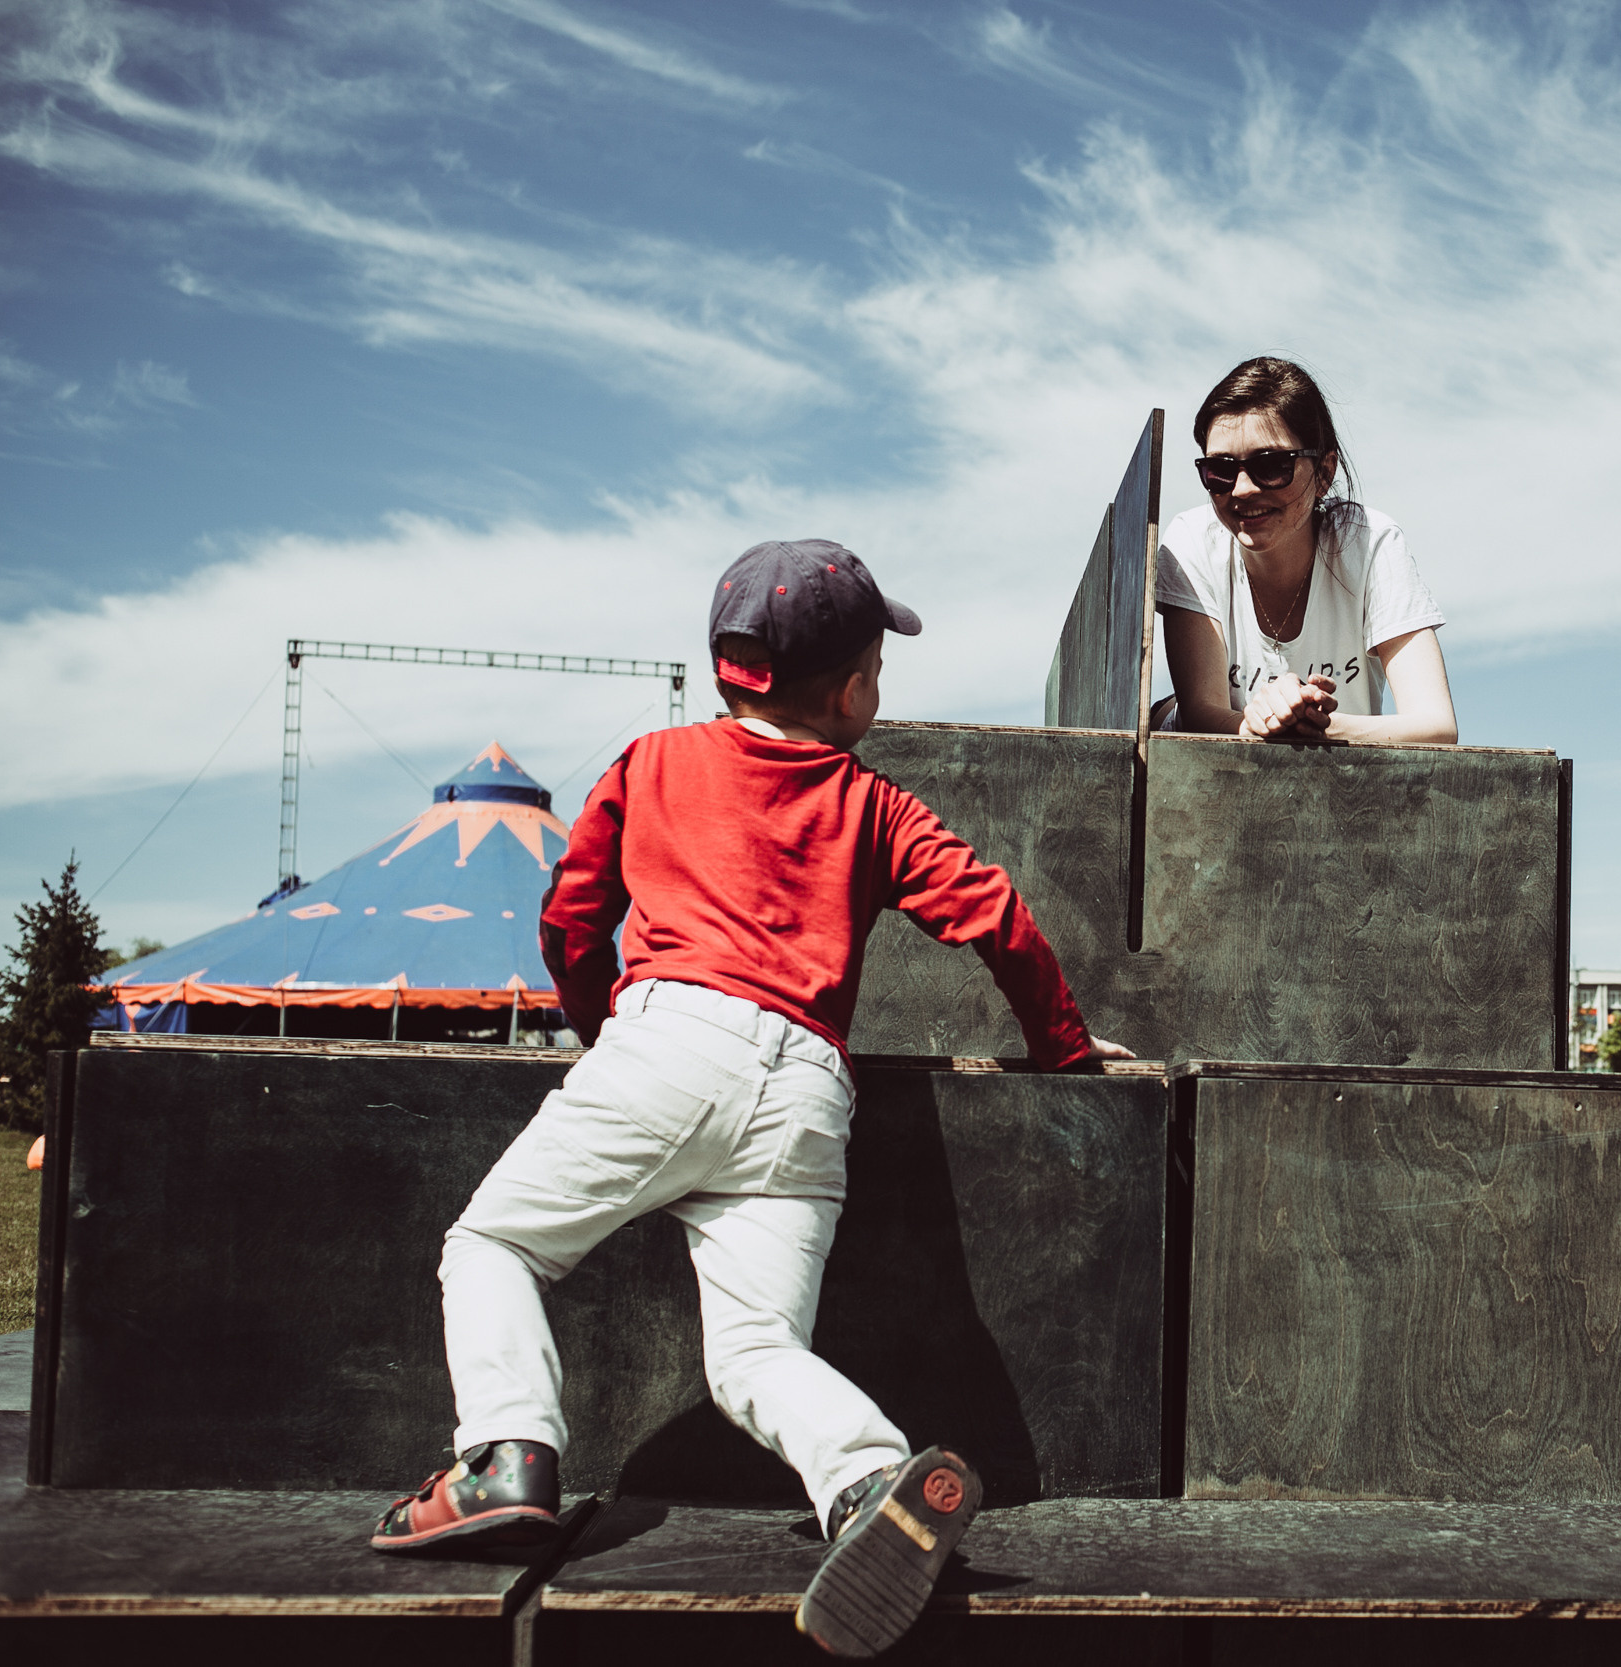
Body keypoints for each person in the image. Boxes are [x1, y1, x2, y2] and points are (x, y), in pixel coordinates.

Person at [370, 538, 1132, 1661]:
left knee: (492, 1245)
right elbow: (999, 918)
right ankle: (872, 1474)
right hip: (810, 1089)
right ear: (852, 685)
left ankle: (507, 1452)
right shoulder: (877, 805)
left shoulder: (651, 761)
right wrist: (1063, 1053)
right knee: (758, 1352)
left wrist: (604, 1039)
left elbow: (571, 921)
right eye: (879, 664)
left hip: (668, 1042)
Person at [1155, 356, 1457, 744]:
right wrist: (1257, 725)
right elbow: (1200, 711)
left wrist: (1313, 725)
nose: (1243, 488)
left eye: (1272, 464)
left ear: (1325, 473)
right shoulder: (1191, 542)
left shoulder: (1370, 545)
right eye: (1221, 470)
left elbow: (1437, 724)